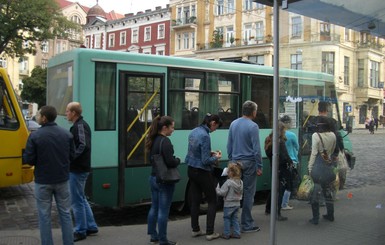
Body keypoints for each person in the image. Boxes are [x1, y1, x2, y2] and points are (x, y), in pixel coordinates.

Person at [22, 106, 75, 245]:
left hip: (43, 180)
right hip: (62, 179)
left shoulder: (34, 136)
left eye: (39, 115)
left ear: (44, 118)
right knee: (65, 214)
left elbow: (28, 159)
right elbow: (72, 156)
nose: (37, 117)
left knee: (44, 216)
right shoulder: (66, 134)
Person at [185, 113, 223, 241]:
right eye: (216, 127)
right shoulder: (205, 136)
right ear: (212, 123)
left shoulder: (194, 131)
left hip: (191, 169)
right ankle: (210, 232)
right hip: (202, 172)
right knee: (213, 200)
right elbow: (206, 160)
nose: (215, 130)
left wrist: (209, 153)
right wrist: (216, 157)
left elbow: (195, 151)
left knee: (195, 201)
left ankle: (195, 229)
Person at [227, 101, 263, 233]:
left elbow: (229, 144)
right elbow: (256, 149)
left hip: (235, 162)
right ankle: (247, 224)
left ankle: (231, 222)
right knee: (248, 193)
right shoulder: (253, 126)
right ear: (253, 112)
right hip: (249, 163)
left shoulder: (233, 123)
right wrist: (259, 165)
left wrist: (231, 160)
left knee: (233, 193)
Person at [65, 102, 99, 242]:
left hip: (78, 168)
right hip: (80, 167)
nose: (66, 113)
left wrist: (71, 158)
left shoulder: (79, 126)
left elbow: (83, 145)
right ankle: (91, 226)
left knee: (76, 200)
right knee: (81, 198)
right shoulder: (79, 125)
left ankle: (80, 230)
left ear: (74, 113)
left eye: (67, 111)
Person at [146, 116, 180, 245]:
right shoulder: (165, 142)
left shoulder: (153, 139)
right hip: (164, 180)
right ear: (164, 127)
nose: (173, 130)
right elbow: (170, 162)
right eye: (172, 127)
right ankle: (163, 240)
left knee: (154, 207)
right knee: (163, 211)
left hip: (153, 177)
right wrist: (177, 160)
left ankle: (153, 235)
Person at [308, 116, 337, 225]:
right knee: (327, 191)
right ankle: (330, 214)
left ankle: (315, 218)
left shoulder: (316, 136)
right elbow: (332, 151)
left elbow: (314, 153)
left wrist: (310, 169)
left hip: (318, 167)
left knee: (315, 193)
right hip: (328, 166)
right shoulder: (333, 135)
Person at [264, 122, 291, 221]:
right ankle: (277, 213)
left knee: (274, 188)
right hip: (281, 168)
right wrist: (290, 162)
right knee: (280, 191)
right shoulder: (280, 142)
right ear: (281, 131)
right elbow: (285, 157)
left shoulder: (268, 140)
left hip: (273, 167)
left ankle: (268, 208)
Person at [216, 162, 243, 239]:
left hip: (228, 204)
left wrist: (217, 188)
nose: (227, 172)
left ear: (231, 173)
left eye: (228, 171)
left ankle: (226, 234)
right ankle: (237, 233)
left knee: (227, 218)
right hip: (237, 204)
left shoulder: (228, 182)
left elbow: (222, 192)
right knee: (235, 218)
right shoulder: (241, 182)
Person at [280, 115, 299, 210]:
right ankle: (284, 204)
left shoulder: (278, 134)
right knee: (289, 184)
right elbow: (297, 147)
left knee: (281, 183)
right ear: (287, 123)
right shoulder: (292, 135)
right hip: (291, 161)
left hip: (281, 162)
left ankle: (279, 202)